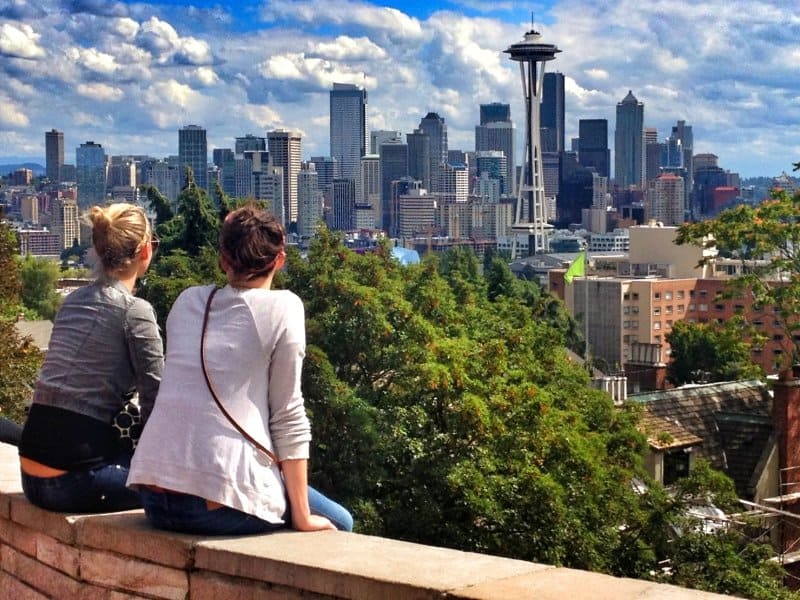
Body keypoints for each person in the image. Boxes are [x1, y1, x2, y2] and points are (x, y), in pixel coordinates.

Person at [128, 204, 353, 535]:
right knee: (340, 522)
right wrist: (303, 516)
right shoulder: (284, 307)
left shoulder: (188, 301)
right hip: (212, 505)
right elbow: (288, 413)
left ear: (223, 260)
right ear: (279, 260)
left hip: (153, 493)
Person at [18, 203, 163, 513]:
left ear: (97, 249)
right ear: (145, 251)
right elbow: (156, 401)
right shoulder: (134, 312)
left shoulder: (72, 302)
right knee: (179, 494)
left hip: (30, 477)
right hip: (75, 481)